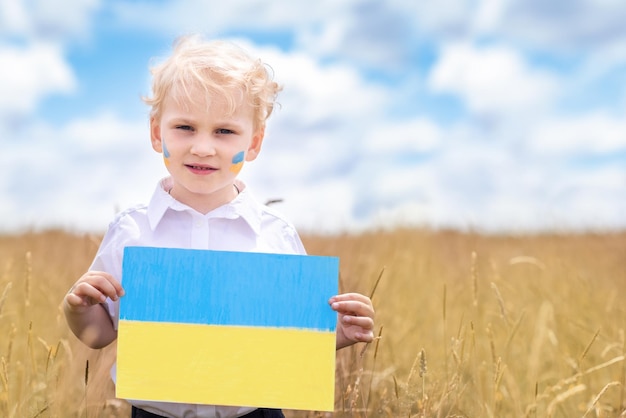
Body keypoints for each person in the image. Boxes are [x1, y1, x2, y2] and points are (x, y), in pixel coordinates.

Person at [63, 34, 375, 418]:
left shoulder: (273, 233)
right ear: (156, 132)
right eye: (185, 128)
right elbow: (101, 334)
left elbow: (288, 343)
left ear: (255, 142)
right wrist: (78, 308)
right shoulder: (132, 230)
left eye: (224, 132)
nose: (203, 147)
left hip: (254, 412)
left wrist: (337, 335)